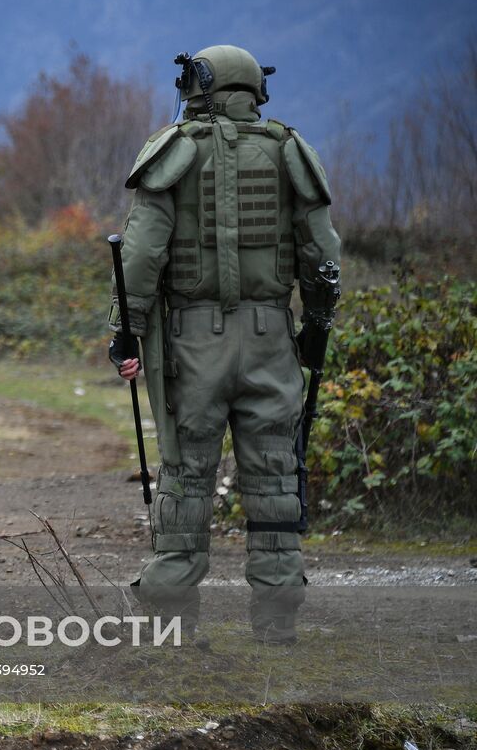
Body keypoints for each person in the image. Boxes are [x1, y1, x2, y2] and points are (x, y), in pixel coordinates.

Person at [110, 45, 341, 644]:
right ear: (253, 89)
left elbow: (138, 255)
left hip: (191, 344)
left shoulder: (173, 153)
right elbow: (324, 256)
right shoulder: (291, 151)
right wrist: (315, 324)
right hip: (271, 339)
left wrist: (125, 331)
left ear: (197, 86)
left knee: (186, 477)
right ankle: (275, 626)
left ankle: (171, 624)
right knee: (272, 476)